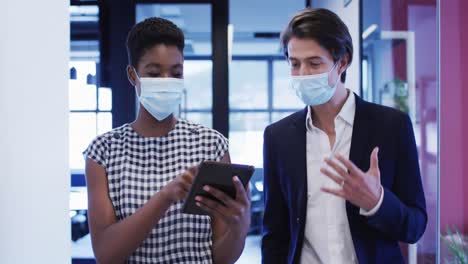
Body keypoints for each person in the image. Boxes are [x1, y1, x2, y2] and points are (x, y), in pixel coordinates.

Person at [261, 8, 427, 264]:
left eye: (314, 63)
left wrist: (377, 202)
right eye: (294, 64)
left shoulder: (392, 126)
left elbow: (415, 227)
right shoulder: (278, 137)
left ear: (343, 61)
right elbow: (275, 234)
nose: (303, 74)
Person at [84, 17, 250, 264]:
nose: (166, 80)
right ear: (133, 75)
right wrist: (165, 197)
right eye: (153, 72)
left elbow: (220, 259)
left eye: (176, 72)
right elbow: (106, 255)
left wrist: (239, 229)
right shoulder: (103, 152)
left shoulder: (211, 145)